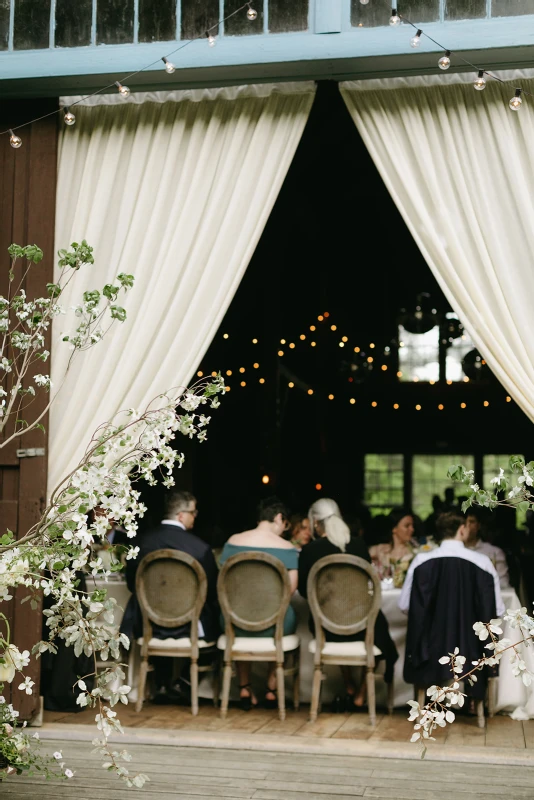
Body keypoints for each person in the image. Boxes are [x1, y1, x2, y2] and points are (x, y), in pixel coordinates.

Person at [298, 498, 398, 710]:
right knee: (378, 629)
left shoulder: (309, 551)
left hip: (325, 626)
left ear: (315, 522)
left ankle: (350, 685)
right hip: (360, 624)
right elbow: (366, 587)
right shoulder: (358, 545)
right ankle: (360, 692)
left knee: (336, 619)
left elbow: (303, 592)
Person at [122, 491, 219, 704]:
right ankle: (183, 681)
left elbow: (132, 585)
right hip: (189, 625)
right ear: (182, 515)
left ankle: (162, 681)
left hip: (146, 623)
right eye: (193, 513)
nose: (195, 517)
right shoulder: (200, 549)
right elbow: (211, 592)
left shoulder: (140, 543)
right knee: (217, 618)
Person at [399, 512, 504, 701]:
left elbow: (405, 606)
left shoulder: (420, 562)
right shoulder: (482, 563)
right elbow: (497, 610)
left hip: (428, 650)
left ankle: (425, 704)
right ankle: (476, 702)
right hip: (471, 649)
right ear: (462, 530)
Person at [219, 497, 297, 710]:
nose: (284, 529)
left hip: (235, 620)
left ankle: (244, 688)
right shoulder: (287, 547)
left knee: (240, 614)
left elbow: (224, 584)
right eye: (285, 524)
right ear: (279, 518)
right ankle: (272, 689)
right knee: (280, 614)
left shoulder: (233, 541)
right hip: (274, 623)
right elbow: (289, 592)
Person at [369, 508, 419, 587]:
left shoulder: (415, 552)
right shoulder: (379, 550)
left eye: (412, 525)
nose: (412, 529)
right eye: (407, 526)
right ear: (394, 529)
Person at [464, 509, 510, 589]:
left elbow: (504, 583)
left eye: (471, 522)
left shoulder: (494, 552)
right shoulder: (453, 552)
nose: (468, 525)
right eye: (464, 522)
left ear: (479, 525)